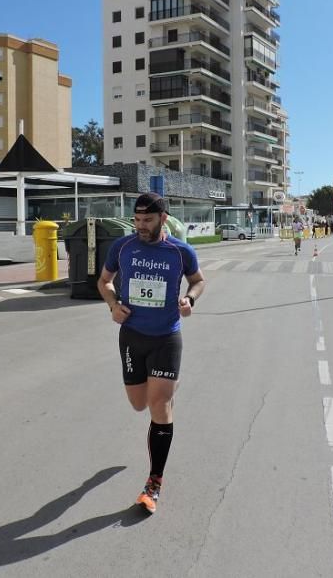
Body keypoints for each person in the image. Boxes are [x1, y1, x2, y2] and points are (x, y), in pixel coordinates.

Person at [97, 192, 206, 515]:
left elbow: (198, 281)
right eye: (137, 220)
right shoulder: (123, 247)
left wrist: (190, 300)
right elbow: (105, 282)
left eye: (147, 220)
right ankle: (162, 389)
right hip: (132, 336)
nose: (141, 226)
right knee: (138, 404)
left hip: (166, 338)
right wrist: (113, 305)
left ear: (162, 218)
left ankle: (154, 482)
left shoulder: (180, 251)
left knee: (159, 406)